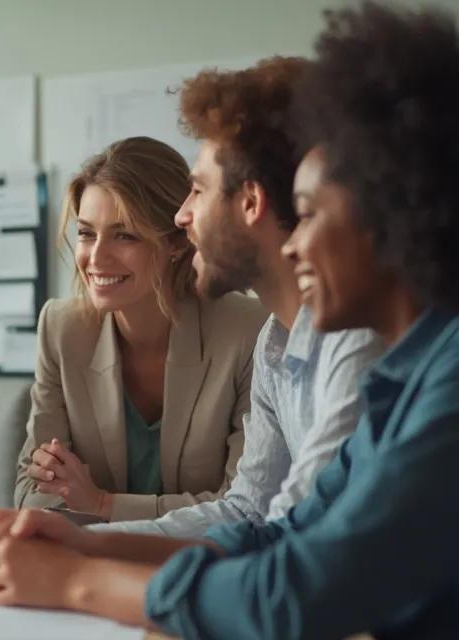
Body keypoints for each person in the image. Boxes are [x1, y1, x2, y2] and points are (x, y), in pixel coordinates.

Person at [0, 4, 459, 637]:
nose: (295, 243)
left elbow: (300, 589)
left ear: (393, 215)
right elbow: (278, 534)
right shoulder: (413, 368)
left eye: (308, 213)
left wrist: (76, 582)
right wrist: (87, 547)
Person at [93, 57, 383, 539]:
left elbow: (294, 535)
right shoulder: (275, 338)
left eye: (198, 190)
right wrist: (86, 541)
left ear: (250, 202)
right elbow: (248, 512)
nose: (182, 216)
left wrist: (83, 567)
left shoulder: (356, 338)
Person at [13, 137, 267, 522]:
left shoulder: (246, 330)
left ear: (176, 242)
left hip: (206, 564)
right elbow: (32, 492)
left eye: (125, 235)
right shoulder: (62, 329)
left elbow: (244, 507)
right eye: (86, 233)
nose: (96, 258)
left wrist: (101, 504)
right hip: (89, 565)